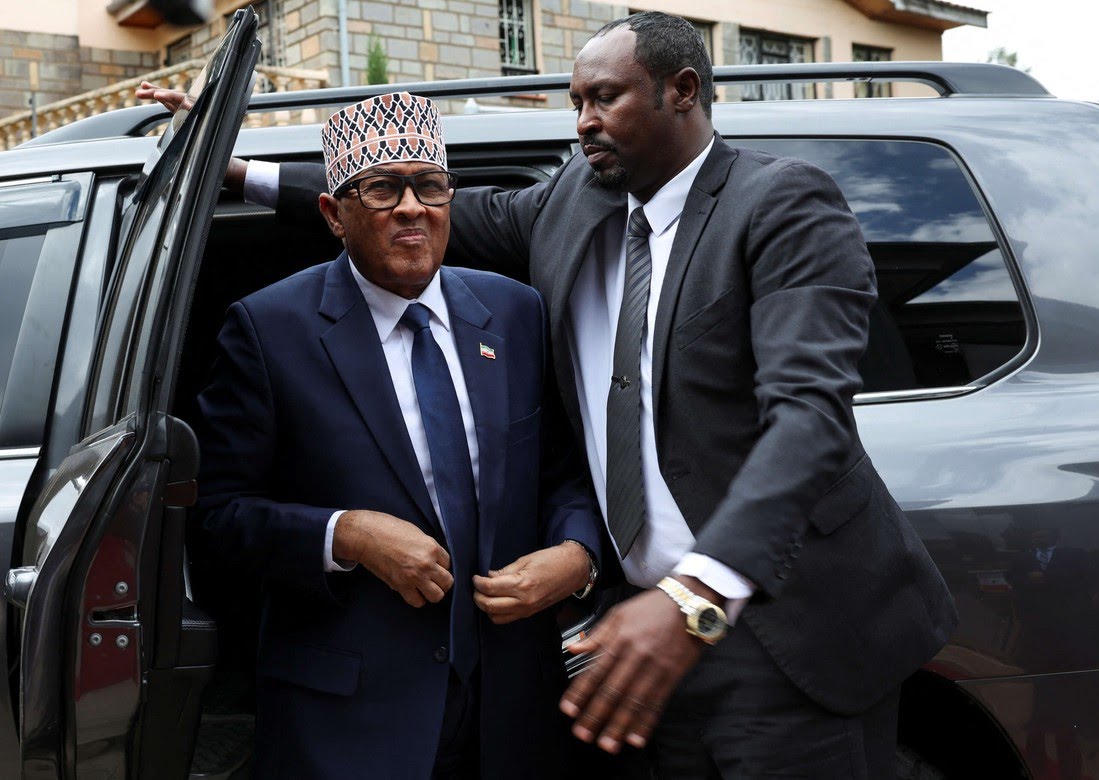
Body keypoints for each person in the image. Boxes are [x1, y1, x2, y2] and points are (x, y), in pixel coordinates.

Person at [157, 11, 958, 777]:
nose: (582, 123)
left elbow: (808, 418)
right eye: (576, 102)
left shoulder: (781, 203)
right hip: (632, 640)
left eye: (603, 98)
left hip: (782, 630)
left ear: (682, 90)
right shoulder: (577, 200)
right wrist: (236, 171)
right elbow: (414, 208)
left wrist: (692, 596)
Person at [191, 90, 604, 779]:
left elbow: (565, 471)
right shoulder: (269, 329)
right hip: (352, 723)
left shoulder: (514, 311)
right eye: (382, 189)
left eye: (430, 186)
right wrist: (344, 534)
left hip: (511, 710)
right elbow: (216, 519)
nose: (412, 208)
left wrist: (577, 555)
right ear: (334, 214)